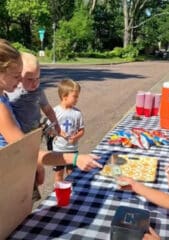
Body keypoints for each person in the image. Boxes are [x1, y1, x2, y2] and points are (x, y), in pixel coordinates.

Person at [0, 39, 101, 179]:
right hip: (9, 167)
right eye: (17, 76)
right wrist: (74, 159)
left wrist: (37, 162)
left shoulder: (4, 95)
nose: (19, 82)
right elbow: (23, 150)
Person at [6, 52, 60, 135]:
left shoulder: (38, 92)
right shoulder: (10, 91)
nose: (35, 83)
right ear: (19, 75)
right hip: (16, 135)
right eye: (30, 79)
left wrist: (56, 124)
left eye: (37, 78)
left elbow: (48, 109)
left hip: (34, 133)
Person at [52, 79, 85, 182]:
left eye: (77, 96)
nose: (77, 99)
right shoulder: (55, 111)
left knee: (72, 174)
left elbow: (82, 130)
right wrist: (57, 133)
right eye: (74, 96)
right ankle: (59, 191)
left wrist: (76, 137)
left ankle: (71, 190)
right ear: (64, 96)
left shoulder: (77, 113)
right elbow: (50, 129)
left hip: (72, 149)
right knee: (59, 174)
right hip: (58, 149)